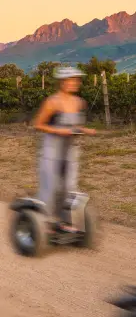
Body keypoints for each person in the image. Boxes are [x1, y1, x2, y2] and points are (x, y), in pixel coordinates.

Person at [33, 66, 96, 231]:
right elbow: (38, 125)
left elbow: (75, 126)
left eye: (76, 80)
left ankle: (64, 221)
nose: (74, 83)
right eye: (70, 80)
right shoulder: (52, 102)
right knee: (51, 186)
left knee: (70, 187)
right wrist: (59, 130)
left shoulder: (79, 102)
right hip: (51, 150)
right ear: (62, 82)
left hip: (70, 151)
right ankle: (43, 221)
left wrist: (84, 130)